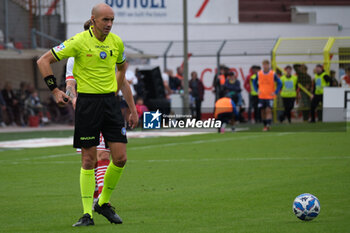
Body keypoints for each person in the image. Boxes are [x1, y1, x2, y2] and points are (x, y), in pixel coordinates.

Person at [37, 3, 138, 227]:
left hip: (111, 104)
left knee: (120, 158)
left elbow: (122, 68)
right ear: (93, 20)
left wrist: (128, 105)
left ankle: (102, 203)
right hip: (88, 105)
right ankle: (87, 214)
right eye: (105, 20)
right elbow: (43, 61)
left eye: (112, 20)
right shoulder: (78, 42)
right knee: (88, 160)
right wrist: (55, 90)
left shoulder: (117, 42)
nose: (109, 24)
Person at [65, 19, 111, 209]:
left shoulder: (106, 51)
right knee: (89, 160)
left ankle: (101, 199)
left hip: (105, 108)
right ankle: (94, 198)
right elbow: (69, 83)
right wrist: (72, 98)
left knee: (104, 156)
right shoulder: (74, 56)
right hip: (86, 110)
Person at [253, 60, 282, 131]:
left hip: (270, 96)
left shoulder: (272, 74)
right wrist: (257, 90)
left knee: (268, 110)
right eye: (264, 65)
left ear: (269, 65)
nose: (265, 66)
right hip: (261, 96)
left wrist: (275, 92)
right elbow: (254, 82)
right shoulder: (259, 74)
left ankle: (268, 125)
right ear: (262, 66)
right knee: (262, 111)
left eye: (266, 65)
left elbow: (280, 83)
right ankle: (265, 125)